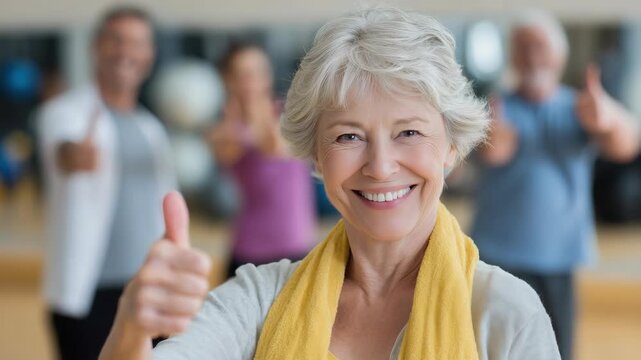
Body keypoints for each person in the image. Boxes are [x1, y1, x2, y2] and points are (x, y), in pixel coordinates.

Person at [100, 8, 560, 359]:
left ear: (451, 147)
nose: (380, 167)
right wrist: (131, 328)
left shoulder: (505, 313)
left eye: (409, 132)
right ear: (316, 157)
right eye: (349, 136)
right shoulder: (260, 297)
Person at [471, 10, 641, 360]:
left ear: (559, 56)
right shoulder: (494, 108)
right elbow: (476, 155)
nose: (533, 54)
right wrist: (490, 144)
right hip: (497, 256)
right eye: (523, 47)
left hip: (558, 258)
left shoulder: (579, 107)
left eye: (541, 46)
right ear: (513, 56)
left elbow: (627, 144)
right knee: (494, 345)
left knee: (556, 348)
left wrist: (607, 120)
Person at [37, 6, 176, 360]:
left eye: (138, 43)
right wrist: (73, 156)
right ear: (96, 46)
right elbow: (64, 151)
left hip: (148, 290)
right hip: (88, 294)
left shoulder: (152, 128)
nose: (126, 52)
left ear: (150, 55)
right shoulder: (64, 113)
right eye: (117, 40)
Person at [207, 43, 316, 277]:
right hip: (248, 250)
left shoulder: (290, 115)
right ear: (228, 80)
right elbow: (225, 152)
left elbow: (276, 146)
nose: (251, 80)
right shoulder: (225, 129)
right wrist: (241, 118)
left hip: (295, 244)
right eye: (242, 74)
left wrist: (256, 112)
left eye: (257, 71)